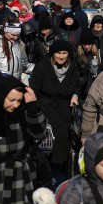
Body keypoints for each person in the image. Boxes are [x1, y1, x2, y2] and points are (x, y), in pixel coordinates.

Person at [29, 39, 81, 185]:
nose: (61, 56)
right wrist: (43, 105)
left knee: (63, 149)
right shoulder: (42, 67)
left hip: (65, 113)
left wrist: (75, 95)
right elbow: (34, 90)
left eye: (64, 53)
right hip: (47, 114)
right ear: (52, 53)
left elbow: (78, 86)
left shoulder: (73, 68)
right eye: (58, 53)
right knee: (48, 149)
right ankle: (47, 181)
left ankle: (59, 183)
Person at [74, 29, 103, 99]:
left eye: (89, 44)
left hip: (98, 91)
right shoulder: (77, 55)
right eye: (84, 44)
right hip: (82, 93)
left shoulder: (100, 54)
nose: (87, 47)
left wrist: (96, 73)